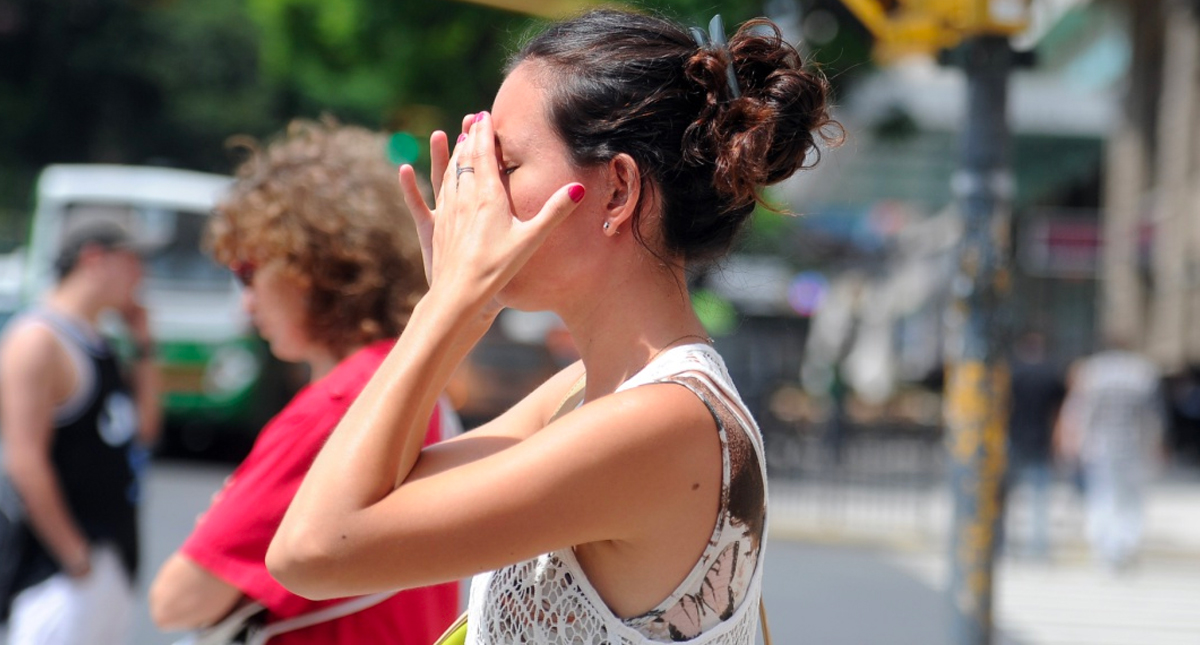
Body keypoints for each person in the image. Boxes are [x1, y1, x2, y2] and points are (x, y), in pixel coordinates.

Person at [267, 11, 836, 644]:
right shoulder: (582, 394)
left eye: (505, 166)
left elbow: (312, 551)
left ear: (617, 191)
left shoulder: (662, 422)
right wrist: (465, 307)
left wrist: (447, 304)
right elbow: (377, 497)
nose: (477, 193)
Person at [147, 120, 460, 644]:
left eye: (249, 271)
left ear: (313, 265)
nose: (246, 302)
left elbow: (176, 600)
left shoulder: (339, 407)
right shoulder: (411, 379)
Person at [0, 217, 162, 644]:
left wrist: (144, 346)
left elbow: (143, 430)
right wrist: (76, 557)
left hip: (110, 555)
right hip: (57, 572)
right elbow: (24, 460)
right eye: (132, 261)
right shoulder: (38, 340)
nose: (141, 276)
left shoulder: (98, 340)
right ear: (94, 259)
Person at [1057, 338, 1166, 571]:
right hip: (1132, 445)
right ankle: (1124, 544)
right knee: (1129, 498)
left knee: (1102, 495)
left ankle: (1105, 547)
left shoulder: (1093, 371)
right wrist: (1155, 444)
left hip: (1100, 446)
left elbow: (1080, 412)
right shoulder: (1142, 373)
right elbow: (1153, 416)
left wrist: (1074, 442)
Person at [1004, 330, 1065, 559]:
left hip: (1014, 438)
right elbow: (1058, 412)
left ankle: (1003, 544)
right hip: (1041, 440)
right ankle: (1038, 548)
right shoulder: (1050, 374)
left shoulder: (1013, 372)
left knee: (1006, 497)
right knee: (1039, 499)